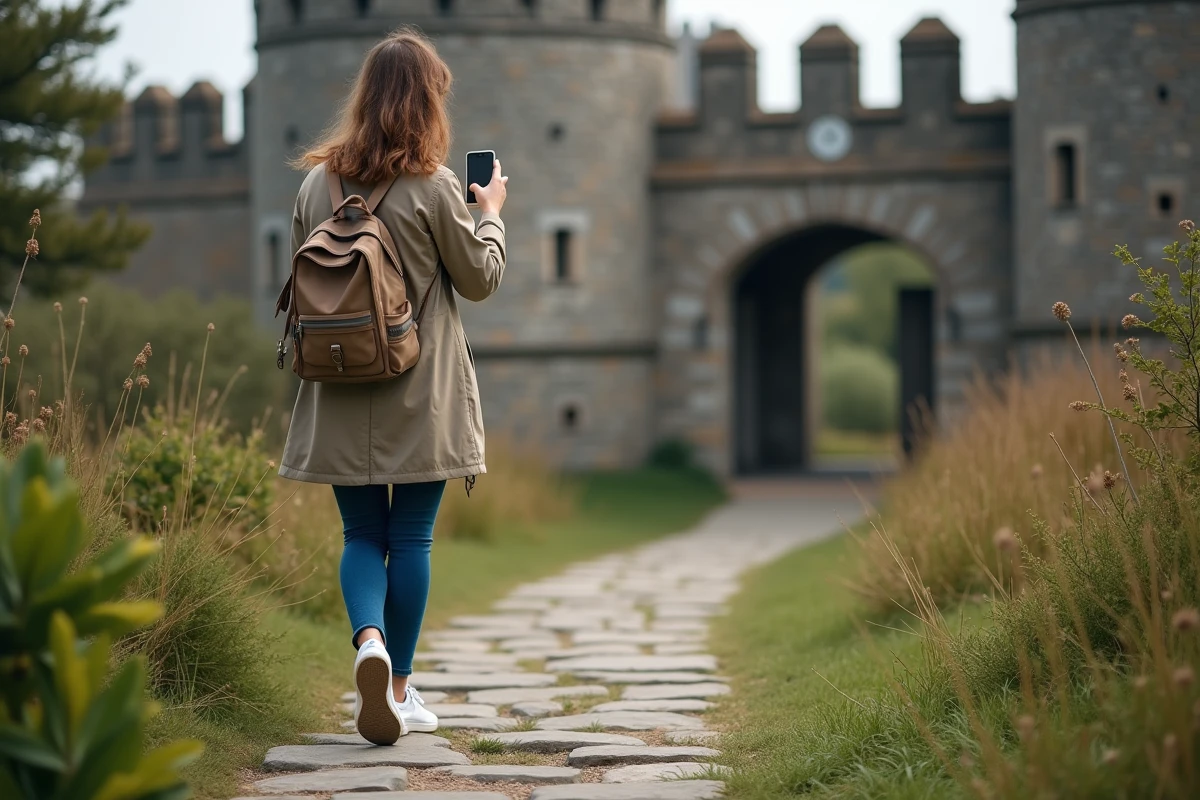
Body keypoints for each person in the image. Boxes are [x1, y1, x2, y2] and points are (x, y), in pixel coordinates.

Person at [278, 27, 508, 746]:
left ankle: (368, 642)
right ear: (428, 102)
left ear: (365, 98)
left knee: (360, 534)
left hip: (336, 383)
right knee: (410, 537)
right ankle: (399, 689)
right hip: (420, 388)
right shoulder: (433, 186)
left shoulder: (316, 185)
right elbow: (479, 280)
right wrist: (491, 217)